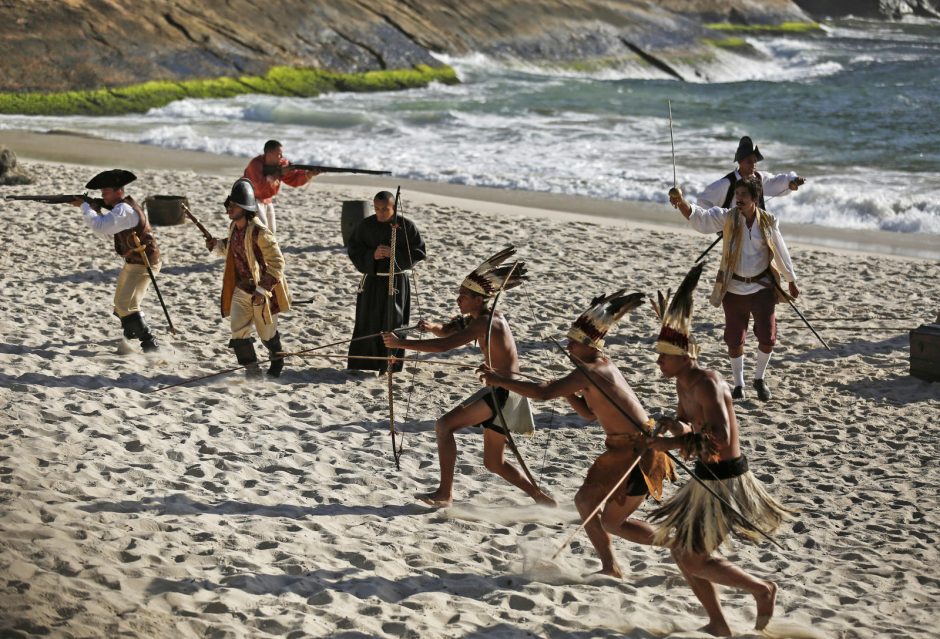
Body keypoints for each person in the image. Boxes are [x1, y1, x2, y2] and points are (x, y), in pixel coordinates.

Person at [478, 290, 675, 577]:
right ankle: (613, 565)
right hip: (625, 451)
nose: (568, 345)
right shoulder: (597, 367)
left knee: (611, 520)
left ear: (588, 344)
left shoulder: (592, 370)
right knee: (593, 508)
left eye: (573, 341)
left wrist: (499, 379)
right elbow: (589, 413)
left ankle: (677, 545)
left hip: (638, 454)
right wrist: (569, 394)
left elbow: (543, 394)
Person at [648, 262, 790, 637]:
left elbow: (721, 438)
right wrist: (669, 425)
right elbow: (688, 425)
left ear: (684, 356)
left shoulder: (707, 383)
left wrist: (669, 443)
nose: (658, 361)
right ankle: (719, 623)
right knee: (682, 555)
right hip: (706, 475)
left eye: (663, 355)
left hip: (725, 479)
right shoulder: (682, 382)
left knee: (691, 558)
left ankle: (762, 589)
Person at [382, 246, 554, 508]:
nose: (458, 299)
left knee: (444, 426)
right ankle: (541, 499)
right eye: (459, 294)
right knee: (493, 462)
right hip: (503, 389)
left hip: (504, 392)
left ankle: (444, 494)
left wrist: (399, 343)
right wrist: (430, 327)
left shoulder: (485, 322)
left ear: (478, 299)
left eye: (464, 295)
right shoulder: (477, 317)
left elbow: (443, 346)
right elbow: (447, 332)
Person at [670, 176, 799, 401]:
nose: (738, 199)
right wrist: (682, 203)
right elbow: (701, 218)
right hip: (733, 288)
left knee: (768, 338)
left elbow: (780, 250)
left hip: (762, 287)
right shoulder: (727, 217)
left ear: (755, 198)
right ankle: (739, 384)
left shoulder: (769, 221)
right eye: (737, 194)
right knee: (734, 339)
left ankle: (759, 378)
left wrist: (791, 280)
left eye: (743, 195)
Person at [206, 179, 291, 377]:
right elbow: (233, 248)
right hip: (242, 289)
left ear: (244, 208)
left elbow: (277, 263)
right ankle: (252, 369)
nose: (229, 209)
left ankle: (277, 360)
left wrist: (262, 291)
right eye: (229, 205)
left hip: (262, 292)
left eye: (233, 206)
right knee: (238, 331)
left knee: (267, 333)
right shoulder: (234, 228)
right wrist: (217, 245)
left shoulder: (261, 233)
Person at [69, 169, 161, 352]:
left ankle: (149, 342)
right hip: (134, 262)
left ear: (119, 191)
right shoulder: (121, 208)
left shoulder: (123, 210)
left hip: (144, 263)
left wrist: (85, 207)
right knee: (120, 304)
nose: (103, 195)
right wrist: (93, 209)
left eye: (106, 192)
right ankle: (129, 335)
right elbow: (107, 230)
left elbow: (100, 227)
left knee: (126, 304)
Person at [347, 191, 426, 374]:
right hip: (373, 281)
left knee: (394, 322)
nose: (380, 213)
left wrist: (394, 254)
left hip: (396, 281)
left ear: (394, 207)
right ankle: (365, 364)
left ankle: (390, 364)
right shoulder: (365, 225)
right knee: (368, 320)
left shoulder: (405, 226)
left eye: (385, 209)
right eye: (377, 209)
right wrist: (371, 255)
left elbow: (419, 252)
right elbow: (354, 249)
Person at [696, 136, 805, 210]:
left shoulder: (758, 178)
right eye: (749, 161)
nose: (753, 165)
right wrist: (720, 222)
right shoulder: (727, 184)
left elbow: (776, 181)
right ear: (740, 162)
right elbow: (703, 202)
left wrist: (792, 181)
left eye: (755, 161)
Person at [241, 139, 320, 234]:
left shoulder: (281, 164)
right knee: (261, 229)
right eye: (279, 154)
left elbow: (293, 178)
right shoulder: (255, 164)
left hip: (266, 199)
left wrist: (309, 174)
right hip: (250, 198)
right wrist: (278, 173)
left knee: (271, 231)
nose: (281, 157)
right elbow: (258, 186)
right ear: (269, 154)